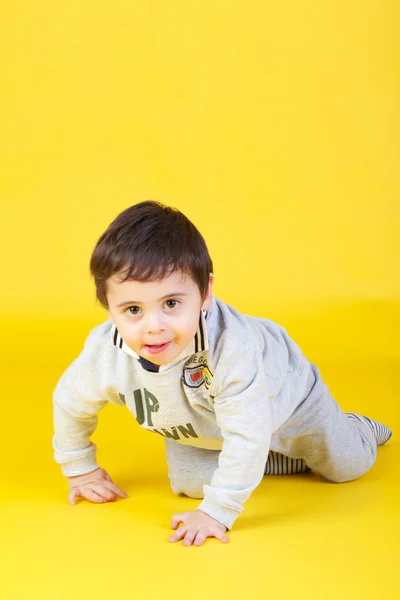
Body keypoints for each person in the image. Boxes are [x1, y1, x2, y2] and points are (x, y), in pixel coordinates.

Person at [52, 200, 392, 547]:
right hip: (201, 421)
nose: (154, 327)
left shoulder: (233, 350)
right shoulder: (104, 353)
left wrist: (217, 512)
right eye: (133, 309)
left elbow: (245, 437)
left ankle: (355, 428)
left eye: (171, 304)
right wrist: (80, 468)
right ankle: (265, 456)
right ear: (109, 309)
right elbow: (69, 404)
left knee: (347, 465)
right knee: (192, 484)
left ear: (205, 292)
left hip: (288, 398)